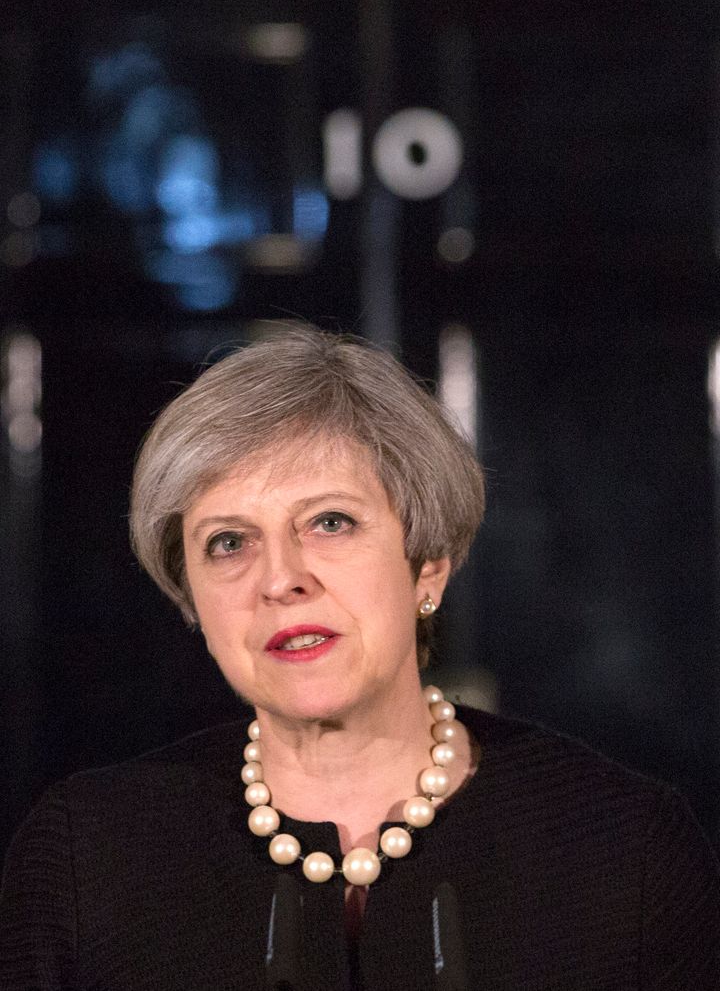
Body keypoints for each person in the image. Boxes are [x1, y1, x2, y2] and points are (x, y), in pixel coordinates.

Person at [1, 324, 719, 990]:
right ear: (191, 595)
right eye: (229, 541)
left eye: (330, 522)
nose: (280, 577)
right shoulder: (84, 858)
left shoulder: (629, 854)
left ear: (428, 565)